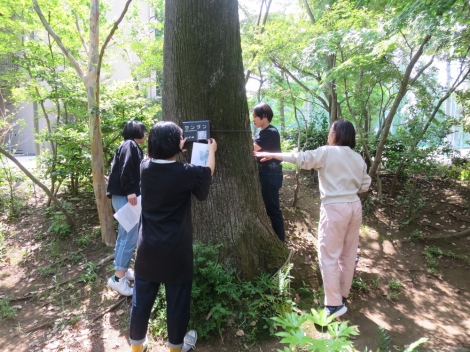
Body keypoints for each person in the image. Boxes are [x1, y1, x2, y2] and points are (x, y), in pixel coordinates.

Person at [255, 119, 371, 319]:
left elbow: (300, 158)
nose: (329, 134)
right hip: (354, 206)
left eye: (331, 131)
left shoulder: (327, 152)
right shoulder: (357, 158)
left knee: (328, 256)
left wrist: (272, 154)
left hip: (335, 207)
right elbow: (365, 185)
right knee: (348, 253)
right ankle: (342, 296)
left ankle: (334, 305)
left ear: (337, 134)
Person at [129, 121, 217, 352]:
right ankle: (175, 348)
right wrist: (211, 152)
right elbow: (206, 175)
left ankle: (137, 347)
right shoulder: (184, 172)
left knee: (141, 301)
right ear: (172, 144)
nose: (184, 139)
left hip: (147, 249)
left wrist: (178, 148)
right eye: (180, 137)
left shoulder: (144, 167)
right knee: (178, 303)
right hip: (176, 251)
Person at [106, 120, 147, 296]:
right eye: (144, 131)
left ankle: (123, 270)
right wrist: (131, 191)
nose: (146, 134)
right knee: (128, 236)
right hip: (125, 196)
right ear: (137, 132)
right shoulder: (130, 145)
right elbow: (126, 169)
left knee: (125, 235)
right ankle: (118, 278)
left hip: (123, 196)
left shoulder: (128, 145)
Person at [252, 102, 286, 242]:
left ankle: (280, 241)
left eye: (255, 116)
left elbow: (253, 148)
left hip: (271, 173)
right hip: (268, 172)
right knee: (270, 209)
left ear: (264, 116)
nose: (253, 119)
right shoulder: (264, 132)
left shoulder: (270, 132)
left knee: (273, 210)